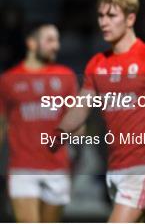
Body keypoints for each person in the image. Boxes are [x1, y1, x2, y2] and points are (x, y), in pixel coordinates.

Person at [50, 0, 145, 222]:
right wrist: (59, 133)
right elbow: (81, 107)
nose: (103, 23)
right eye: (100, 16)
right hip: (116, 167)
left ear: (130, 18)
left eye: (111, 16)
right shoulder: (97, 64)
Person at [0, 23, 78, 222]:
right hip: (22, 168)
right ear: (32, 43)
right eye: (50, 40)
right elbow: (1, 124)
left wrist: (76, 149)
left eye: (58, 40)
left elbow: (76, 121)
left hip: (58, 168)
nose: (56, 46)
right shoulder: (8, 80)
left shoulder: (66, 77)